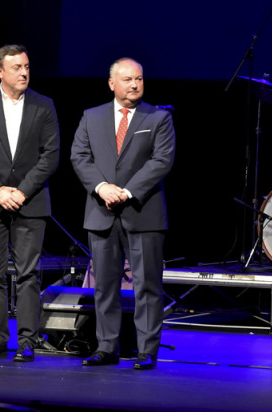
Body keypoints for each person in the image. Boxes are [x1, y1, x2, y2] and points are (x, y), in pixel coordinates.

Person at [71, 58, 175, 370]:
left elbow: (162, 161)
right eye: (128, 79)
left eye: (139, 79)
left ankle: (146, 350)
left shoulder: (158, 117)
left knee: (146, 285)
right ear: (111, 83)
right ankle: (106, 347)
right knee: (104, 284)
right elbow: (79, 156)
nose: (134, 85)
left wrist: (127, 192)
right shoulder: (92, 117)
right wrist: (102, 187)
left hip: (142, 211)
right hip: (102, 211)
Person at [0, 44, 60, 362]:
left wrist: (22, 191)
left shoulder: (44, 105)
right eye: (16, 67)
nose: (24, 72)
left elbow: (50, 155)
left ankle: (28, 340)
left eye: (27, 66)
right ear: (0, 71)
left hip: (29, 202)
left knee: (28, 273)